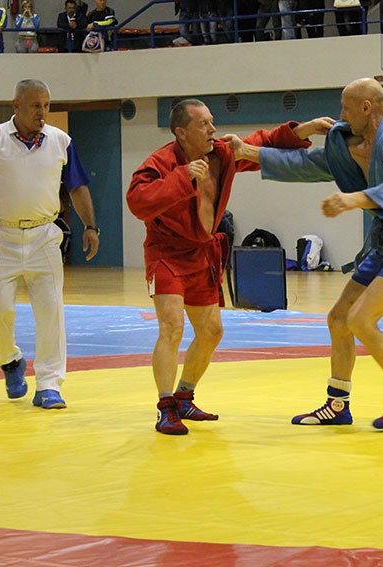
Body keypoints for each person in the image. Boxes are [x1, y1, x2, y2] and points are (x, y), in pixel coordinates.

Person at [237, 77, 383, 430]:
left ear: (366, 107)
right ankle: (337, 404)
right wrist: (246, 152)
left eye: (346, 107)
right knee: (338, 319)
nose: (341, 115)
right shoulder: (347, 145)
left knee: (361, 319)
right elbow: (304, 164)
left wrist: (352, 199)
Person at [126, 99, 321, 435]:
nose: (212, 129)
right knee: (172, 327)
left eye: (212, 122)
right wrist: (182, 177)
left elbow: (262, 142)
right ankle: (165, 406)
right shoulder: (160, 162)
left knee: (212, 332)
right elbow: (137, 201)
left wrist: (306, 129)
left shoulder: (221, 153)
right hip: (166, 253)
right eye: (204, 124)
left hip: (201, 254)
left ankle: (184, 396)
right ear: (181, 132)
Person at [0, 79, 100, 409]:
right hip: (1, 238)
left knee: (51, 313)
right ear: (16, 105)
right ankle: (10, 361)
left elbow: (77, 187)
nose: (42, 112)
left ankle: (49, 384)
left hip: (44, 238)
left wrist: (91, 227)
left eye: (46, 105)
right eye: (36, 105)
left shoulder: (61, 141)